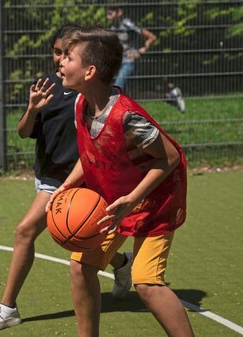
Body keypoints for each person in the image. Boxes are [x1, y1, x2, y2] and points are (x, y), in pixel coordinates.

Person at [0, 25, 132, 332]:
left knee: (24, 232)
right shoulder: (48, 85)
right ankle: (121, 264)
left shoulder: (91, 92)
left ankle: (7, 308)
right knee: (82, 235)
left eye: (67, 54)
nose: (60, 60)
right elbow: (23, 132)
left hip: (73, 181)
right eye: (57, 52)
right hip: (48, 174)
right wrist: (32, 109)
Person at [48, 26, 193, 336]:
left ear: (89, 71)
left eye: (68, 57)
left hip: (155, 200)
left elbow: (169, 157)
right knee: (81, 266)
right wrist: (66, 186)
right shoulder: (81, 104)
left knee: (147, 283)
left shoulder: (127, 117)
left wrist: (132, 200)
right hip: (116, 201)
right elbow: (90, 155)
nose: (60, 62)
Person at [106, 6, 185, 113]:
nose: (108, 13)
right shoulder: (112, 27)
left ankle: (110, 119)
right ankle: (170, 97)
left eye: (111, 11)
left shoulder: (127, 24)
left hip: (129, 63)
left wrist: (141, 50)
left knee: (117, 88)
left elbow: (151, 37)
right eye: (107, 11)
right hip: (119, 63)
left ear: (119, 12)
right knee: (134, 95)